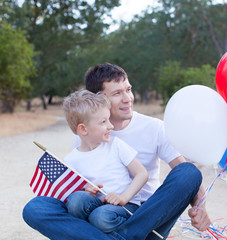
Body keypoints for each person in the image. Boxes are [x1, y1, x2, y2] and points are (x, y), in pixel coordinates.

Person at [23, 63, 211, 240]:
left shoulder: (154, 127)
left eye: (128, 90)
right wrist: (86, 190)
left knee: (189, 171)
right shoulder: (86, 134)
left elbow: (185, 175)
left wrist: (200, 207)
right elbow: (82, 182)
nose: (127, 98)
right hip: (98, 212)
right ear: (99, 98)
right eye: (117, 93)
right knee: (36, 208)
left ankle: (126, 234)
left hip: (146, 216)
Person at [62, 89, 148, 233]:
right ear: (83, 129)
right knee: (77, 200)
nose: (110, 126)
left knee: (101, 217)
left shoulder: (115, 145)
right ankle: (93, 233)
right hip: (97, 206)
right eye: (103, 122)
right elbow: (73, 199)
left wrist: (123, 198)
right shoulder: (71, 160)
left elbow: (142, 174)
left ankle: (125, 233)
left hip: (126, 206)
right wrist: (86, 191)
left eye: (108, 119)